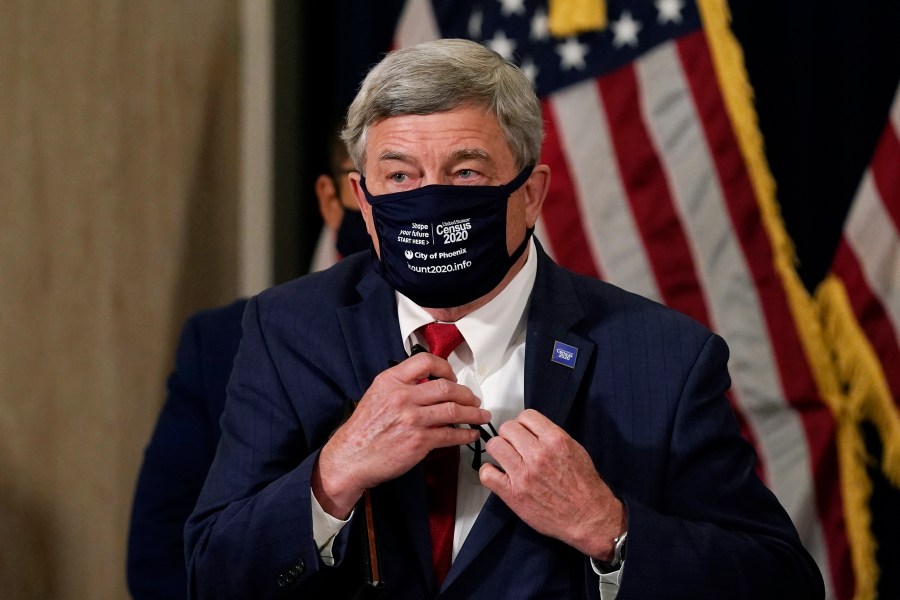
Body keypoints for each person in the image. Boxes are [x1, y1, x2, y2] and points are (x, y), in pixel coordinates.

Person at [184, 39, 825, 599]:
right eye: (399, 175)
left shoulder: (662, 358)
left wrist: (608, 529)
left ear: (532, 194)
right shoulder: (289, 330)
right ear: (363, 200)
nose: (429, 201)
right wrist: (333, 475)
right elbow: (213, 576)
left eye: (465, 172)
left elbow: (781, 581)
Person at [125, 132, 367, 599]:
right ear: (334, 197)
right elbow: (161, 560)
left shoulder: (532, 338)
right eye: (391, 178)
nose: (417, 209)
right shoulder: (222, 342)